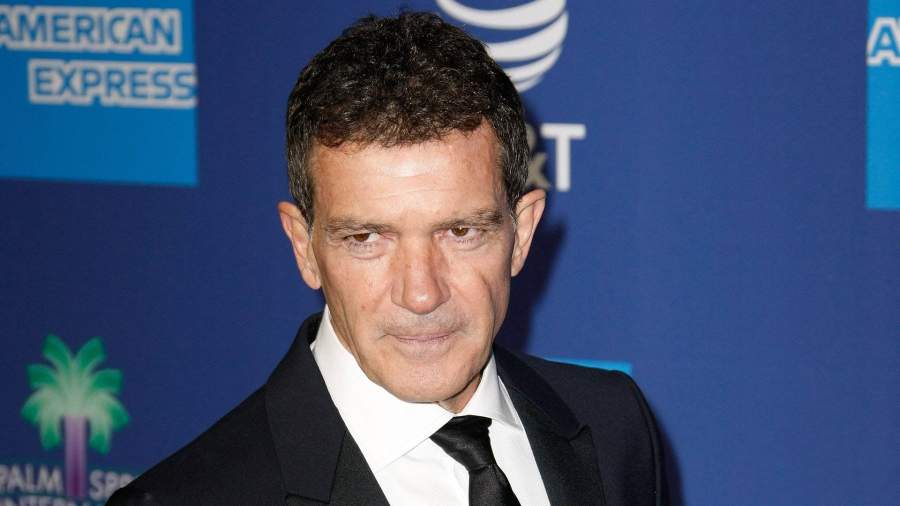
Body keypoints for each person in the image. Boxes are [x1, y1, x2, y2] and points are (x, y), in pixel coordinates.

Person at [109, 11, 664, 506]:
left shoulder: (613, 423)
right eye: (366, 238)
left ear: (521, 234)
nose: (420, 293)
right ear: (304, 247)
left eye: (460, 231)